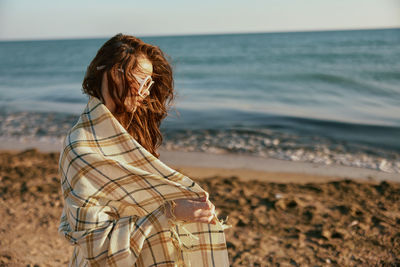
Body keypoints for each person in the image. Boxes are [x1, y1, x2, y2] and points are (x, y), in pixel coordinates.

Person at [58, 33, 230, 266]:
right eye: (142, 80)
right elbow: (95, 245)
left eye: (151, 83)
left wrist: (187, 203)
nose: (147, 91)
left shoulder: (130, 132)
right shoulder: (80, 147)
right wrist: (171, 212)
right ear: (114, 74)